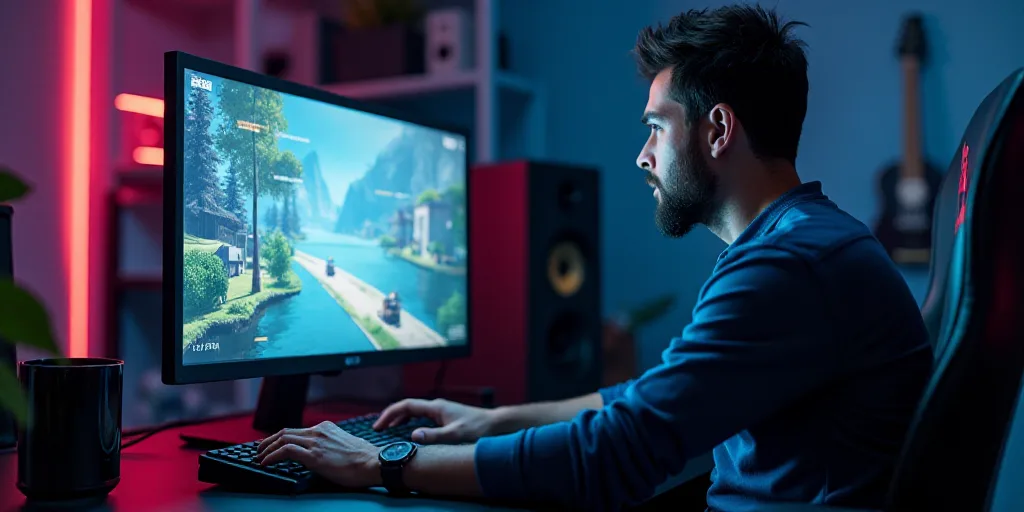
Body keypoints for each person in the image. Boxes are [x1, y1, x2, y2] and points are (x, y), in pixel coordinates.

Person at [255, 5, 933, 510]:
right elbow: (648, 400)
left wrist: (384, 465)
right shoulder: (804, 245)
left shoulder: (788, 266)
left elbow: (617, 452)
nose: (642, 156)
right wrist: (492, 421)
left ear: (718, 129)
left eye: (656, 128)